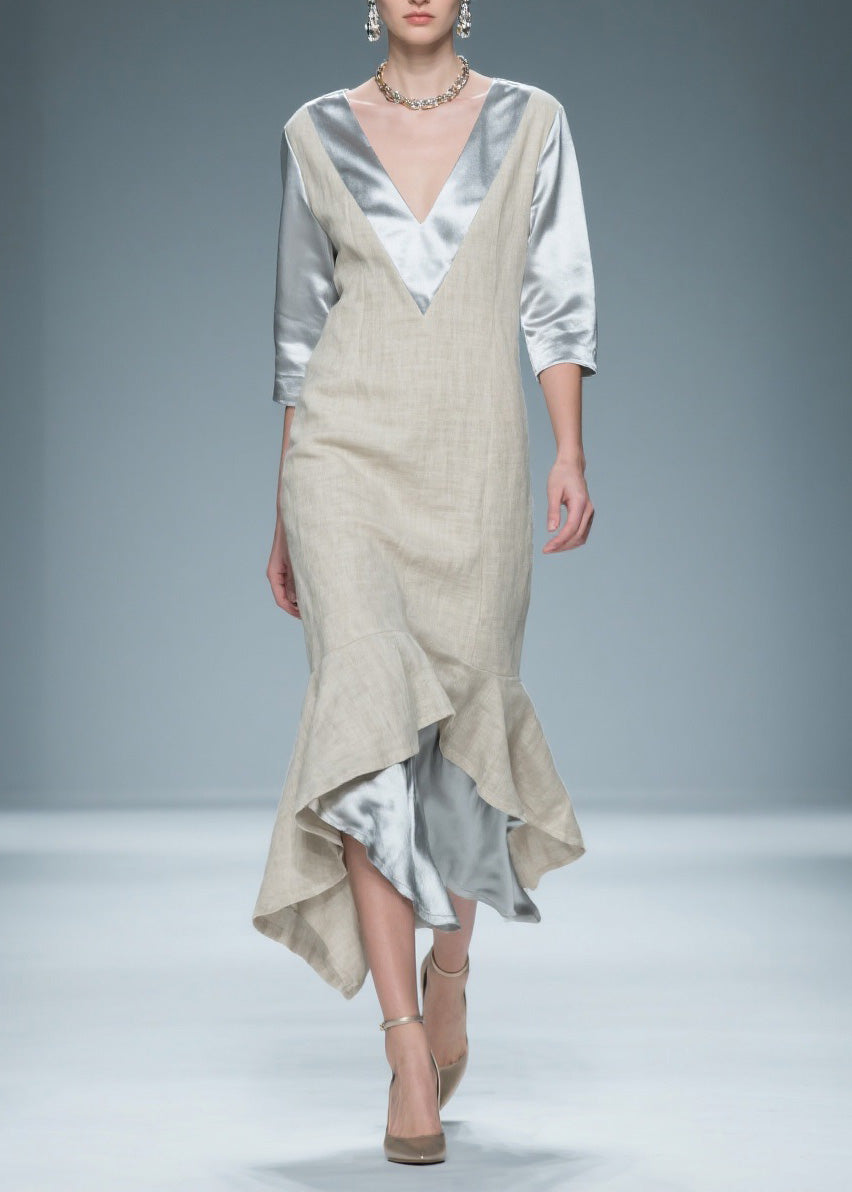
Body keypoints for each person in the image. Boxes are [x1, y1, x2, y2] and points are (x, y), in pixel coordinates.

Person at [252, 0, 597, 1165]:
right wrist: (284, 502)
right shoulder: (312, 131)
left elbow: (556, 297)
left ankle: (453, 967)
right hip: (342, 459)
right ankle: (405, 1049)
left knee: (460, 731)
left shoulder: (533, 122)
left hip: (476, 459)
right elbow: (299, 334)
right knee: (364, 720)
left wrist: (570, 450)